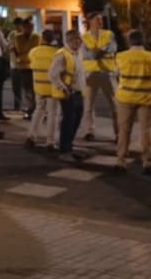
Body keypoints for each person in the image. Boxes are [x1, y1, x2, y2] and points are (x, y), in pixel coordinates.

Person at [114, 29, 151, 175]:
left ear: (129, 41)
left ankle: (121, 161)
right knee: (146, 131)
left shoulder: (121, 56)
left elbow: (117, 75)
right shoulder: (149, 57)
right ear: (143, 40)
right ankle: (147, 162)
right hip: (146, 99)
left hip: (126, 98)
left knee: (124, 130)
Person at [49, 29, 87, 161]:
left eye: (79, 38)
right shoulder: (62, 54)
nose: (79, 41)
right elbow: (53, 74)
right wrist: (63, 88)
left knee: (76, 120)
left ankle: (69, 147)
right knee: (68, 121)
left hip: (78, 92)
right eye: (76, 39)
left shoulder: (78, 53)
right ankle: (64, 151)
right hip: (69, 93)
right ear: (68, 41)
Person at [81, 12, 118, 142]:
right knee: (88, 105)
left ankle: (118, 133)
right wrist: (102, 50)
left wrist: (97, 51)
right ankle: (89, 131)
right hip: (91, 74)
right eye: (97, 19)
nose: (100, 21)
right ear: (90, 21)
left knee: (114, 105)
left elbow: (113, 48)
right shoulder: (83, 37)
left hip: (108, 72)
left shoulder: (109, 34)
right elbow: (86, 54)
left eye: (101, 19)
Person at [25, 29, 61, 150]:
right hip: (52, 88)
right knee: (53, 114)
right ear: (53, 39)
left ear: (42, 38)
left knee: (38, 111)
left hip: (39, 87)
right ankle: (50, 141)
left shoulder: (33, 51)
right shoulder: (57, 53)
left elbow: (31, 64)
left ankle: (31, 137)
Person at [9, 17, 40, 119]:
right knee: (27, 89)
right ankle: (30, 109)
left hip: (34, 66)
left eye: (32, 26)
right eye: (28, 26)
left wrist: (24, 53)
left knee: (34, 89)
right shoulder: (17, 37)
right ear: (24, 27)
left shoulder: (36, 37)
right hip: (23, 66)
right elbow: (19, 49)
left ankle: (34, 108)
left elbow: (35, 49)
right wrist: (26, 52)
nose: (30, 28)